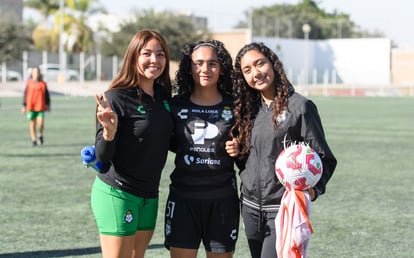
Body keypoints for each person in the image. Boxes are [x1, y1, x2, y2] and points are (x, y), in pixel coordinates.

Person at [228, 42, 337, 258]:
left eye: (260, 64)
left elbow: (325, 158)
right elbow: (250, 160)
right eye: (247, 70)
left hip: (282, 208)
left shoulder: (300, 107)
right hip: (249, 207)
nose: (256, 73)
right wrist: (236, 150)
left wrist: (313, 191)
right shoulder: (248, 110)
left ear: (273, 64)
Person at [91, 29, 173, 258]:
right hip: (117, 193)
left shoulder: (164, 96)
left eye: (160, 54)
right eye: (146, 53)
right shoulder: (115, 97)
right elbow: (101, 158)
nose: (154, 60)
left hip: (149, 194)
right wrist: (109, 131)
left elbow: (172, 141)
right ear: (134, 56)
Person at [164, 40, 239, 258]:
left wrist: (239, 147)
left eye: (212, 63)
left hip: (223, 201)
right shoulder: (175, 105)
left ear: (222, 67)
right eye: (198, 63)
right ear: (189, 67)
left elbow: (248, 147)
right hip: (183, 199)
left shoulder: (235, 106)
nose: (205, 69)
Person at [21, 66, 51, 146]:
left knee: (41, 123)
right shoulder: (29, 83)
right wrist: (24, 105)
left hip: (40, 106)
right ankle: (33, 139)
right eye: (34, 72)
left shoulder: (43, 83)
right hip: (31, 107)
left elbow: (46, 95)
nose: (36, 73)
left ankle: (40, 134)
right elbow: (25, 94)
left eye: (37, 72)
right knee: (32, 123)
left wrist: (48, 104)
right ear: (32, 73)